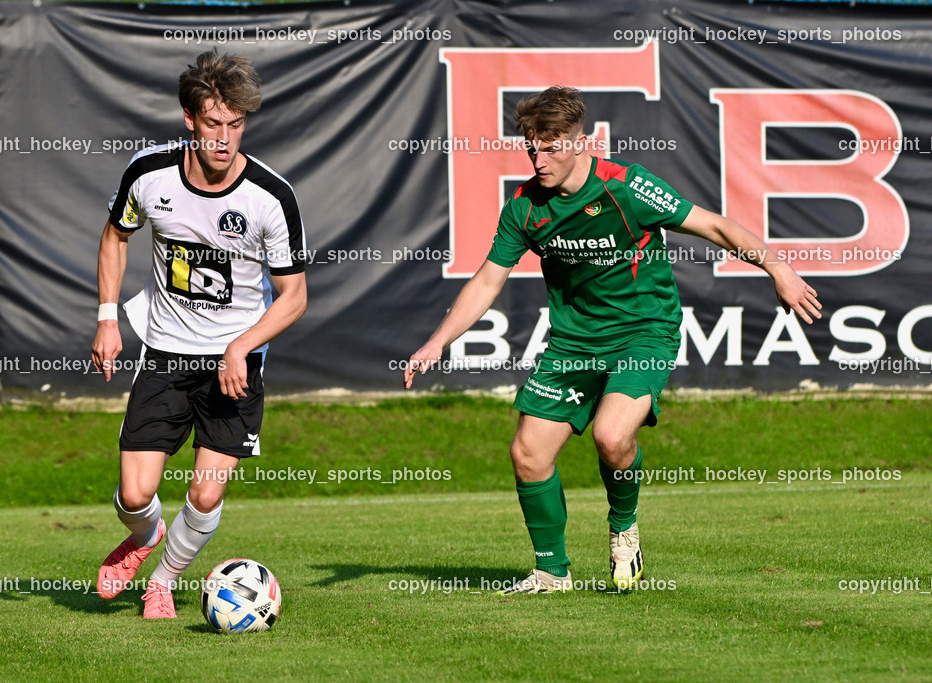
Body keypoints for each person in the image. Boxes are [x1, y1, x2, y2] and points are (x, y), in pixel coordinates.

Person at [404, 86, 821, 593]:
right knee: (528, 454)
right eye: (531, 147)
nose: (539, 158)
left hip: (644, 332)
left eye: (552, 146)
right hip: (573, 343)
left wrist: (778, 269)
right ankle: (551, 573)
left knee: (611, 436)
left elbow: (714, 226)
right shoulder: (523, 207)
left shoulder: (626, 188)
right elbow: (489, 279)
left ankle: (624, 527)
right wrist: (437, 342)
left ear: (582, 142)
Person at [91, 49, 307, 617]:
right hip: (164, 354)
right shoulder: (148, 173)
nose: (225, 138)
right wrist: (107, 318)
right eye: (214, 124)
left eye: (236, 125)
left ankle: (163, 581)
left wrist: (241, 345)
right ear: (190, 120)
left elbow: (295, 296)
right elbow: (116, 238)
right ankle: (144, 539)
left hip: (235, 362)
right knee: (136, 496)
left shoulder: (271, 197)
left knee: (206, 491)